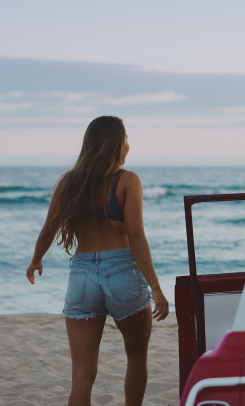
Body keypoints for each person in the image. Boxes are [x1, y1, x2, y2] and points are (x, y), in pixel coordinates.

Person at [25, 116, 169, 406]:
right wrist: (155, 287)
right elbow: (137, 237)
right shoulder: (128, 180)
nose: (129, 144)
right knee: (137, 356)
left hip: (82, 276)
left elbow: (47, 230)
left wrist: (36, 260)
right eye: (126, 138)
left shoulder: (69, 182)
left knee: (81, 376)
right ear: (117, 143)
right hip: (122, 273)